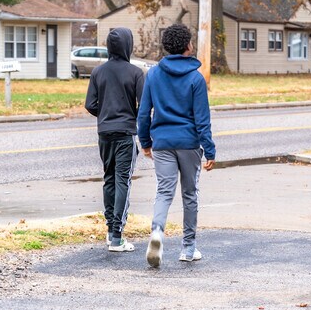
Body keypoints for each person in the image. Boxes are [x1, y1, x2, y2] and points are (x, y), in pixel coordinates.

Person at [137, 24, 216, 268]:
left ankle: (157, 231)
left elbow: (143, 113)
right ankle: (188, 248)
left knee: (164, 191)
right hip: (189, 143)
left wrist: (146, 142)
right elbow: (202, 119)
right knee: (189, 193)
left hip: (162, 142)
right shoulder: (195, 78)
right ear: (188, 46)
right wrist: (209, 150)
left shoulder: (153, 75)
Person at [85, 27, 144, 252]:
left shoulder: (98, 72)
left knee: (109, 178)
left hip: (104, 133)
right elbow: (144, 103)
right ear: (127, 45)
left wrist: (106, 114)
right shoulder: (136, 73)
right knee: (123, 181)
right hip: (125, 134)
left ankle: (110, 231)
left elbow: (90, 104)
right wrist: (131, 117)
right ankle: (118, 236)